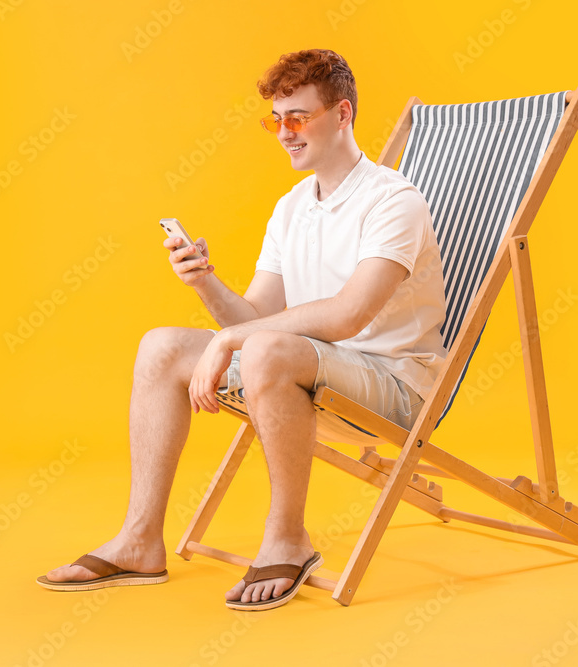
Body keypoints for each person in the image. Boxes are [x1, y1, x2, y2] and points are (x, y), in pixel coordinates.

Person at [37, 48, 447, 610]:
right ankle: (138, 540)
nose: (284, 132)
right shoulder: (292, 206)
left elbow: (349, 314)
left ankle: (288, 539)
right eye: (275, 120)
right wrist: (205, 283)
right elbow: (255, 318)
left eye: (298, 117)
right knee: (161, 345)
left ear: (343, 113)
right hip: (302, 369)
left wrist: (234, 342)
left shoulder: (394, 201)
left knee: (265, 351)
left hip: (393, 388)